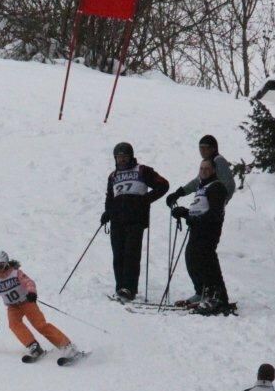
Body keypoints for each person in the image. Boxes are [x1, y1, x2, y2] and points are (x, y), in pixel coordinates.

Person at [100, 142, 169, 302]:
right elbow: (110, 197)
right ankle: (120, 287)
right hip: (117, 220)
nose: (122, 160)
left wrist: (146, 200)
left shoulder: (143, 170)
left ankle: (129, 288)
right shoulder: (113, 176)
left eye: (125, 156)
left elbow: (163, 185)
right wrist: (107, 212)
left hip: (136, 219)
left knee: (131, 253)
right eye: (119, 157)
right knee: (118, 254)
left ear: (131, 156)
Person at [0, 249, 82, 361]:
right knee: (14, 324)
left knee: (40, 325)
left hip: (27, 302)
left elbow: (28, 282)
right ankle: (33, 346)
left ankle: (67, 347)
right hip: (12, 307)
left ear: (6, 264)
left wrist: (31, 292)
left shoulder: (15, 273)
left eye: (0, 266)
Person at [169, 158, 230, 314]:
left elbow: (215, 213)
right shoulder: (202, 186)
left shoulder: (216, 187)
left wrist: (190, 217)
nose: (203, 171)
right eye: (201, 168)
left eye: (207, 168)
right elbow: (198, 210)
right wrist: (184, 213)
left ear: (214, 170)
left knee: (205, 260)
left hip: (208, 230)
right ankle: (201, 292)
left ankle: (215, 296)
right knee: (192, 258)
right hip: (197, 229)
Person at [165, 134, 236, 211]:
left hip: (213, 207)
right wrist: (179, 193)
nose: (202, 151)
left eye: (204, 148)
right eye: (200, 148)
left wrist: (220, 202)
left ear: (213, 148)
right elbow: (197, 182)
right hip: (206, 205)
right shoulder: (207, 162)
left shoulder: (218, 160)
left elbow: (230, 184)